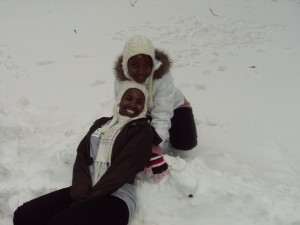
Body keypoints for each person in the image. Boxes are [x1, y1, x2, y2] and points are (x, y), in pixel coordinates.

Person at [13, 81, 165, 225]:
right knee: (24, 216)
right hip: (86, 190)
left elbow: (122, 170)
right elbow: (83, 156)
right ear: (120, 99)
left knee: (60, 222)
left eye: (139, 101)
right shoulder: (101, 124)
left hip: (117, 199)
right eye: (129, 98)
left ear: (144, 107)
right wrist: (80, 191)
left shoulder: (143, 131)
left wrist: (90, 198)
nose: (133, 104)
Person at [114, 35, 198, 153]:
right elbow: (124, 110)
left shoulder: (162, 78)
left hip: (175, 107)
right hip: (143, 109)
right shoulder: (121, 79)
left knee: (185, 143)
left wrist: (154, 147)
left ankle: (171, 131)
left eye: (146, 65)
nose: (141, 71)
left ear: (153, 64)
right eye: (135, 65)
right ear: (126, 65)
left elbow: (162, 114)